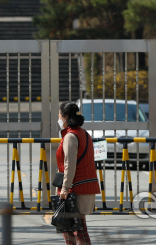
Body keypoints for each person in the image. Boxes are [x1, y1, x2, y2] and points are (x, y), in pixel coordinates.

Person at [56, 101, 100, 245]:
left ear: (65, 117)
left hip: (75, 188)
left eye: (59, 115)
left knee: (77, 230)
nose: (59, 118)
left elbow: (70, 164)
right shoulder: (84, 133)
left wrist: (65, 188)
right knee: (71, 228)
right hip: (84, 185)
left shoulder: (70, 137)